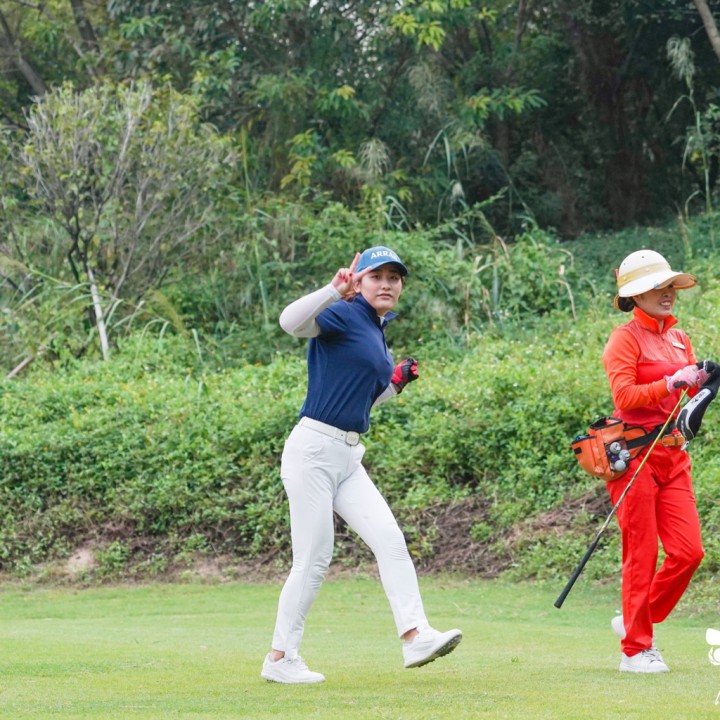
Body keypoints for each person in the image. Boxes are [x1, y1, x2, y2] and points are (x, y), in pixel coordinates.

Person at [260, 246, 462, 684]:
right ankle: (280, 658)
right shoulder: (344, 312)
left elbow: (362, 400)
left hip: (348, 455)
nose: (386, 284)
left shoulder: (375, 328)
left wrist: (395, 383)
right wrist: (334, 290)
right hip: (314, 450)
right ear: (359, 281)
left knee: (390, 540)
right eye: (377, 276)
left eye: (394, 277)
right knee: (313, 560)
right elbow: (289, 322)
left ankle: (416, 636)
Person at [601, 249, 709, 674]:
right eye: (656, 287)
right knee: (642, 553)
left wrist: (701, 379)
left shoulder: (679, 338)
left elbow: (685, 394)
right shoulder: (624, 338)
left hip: (673, 454)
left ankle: (636, 617)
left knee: (689, 552)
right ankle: (635, 650)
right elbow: (624, 396)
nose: (667, 293)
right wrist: (670, 381)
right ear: (635, 296)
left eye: (668, 286)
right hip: (634, 456)